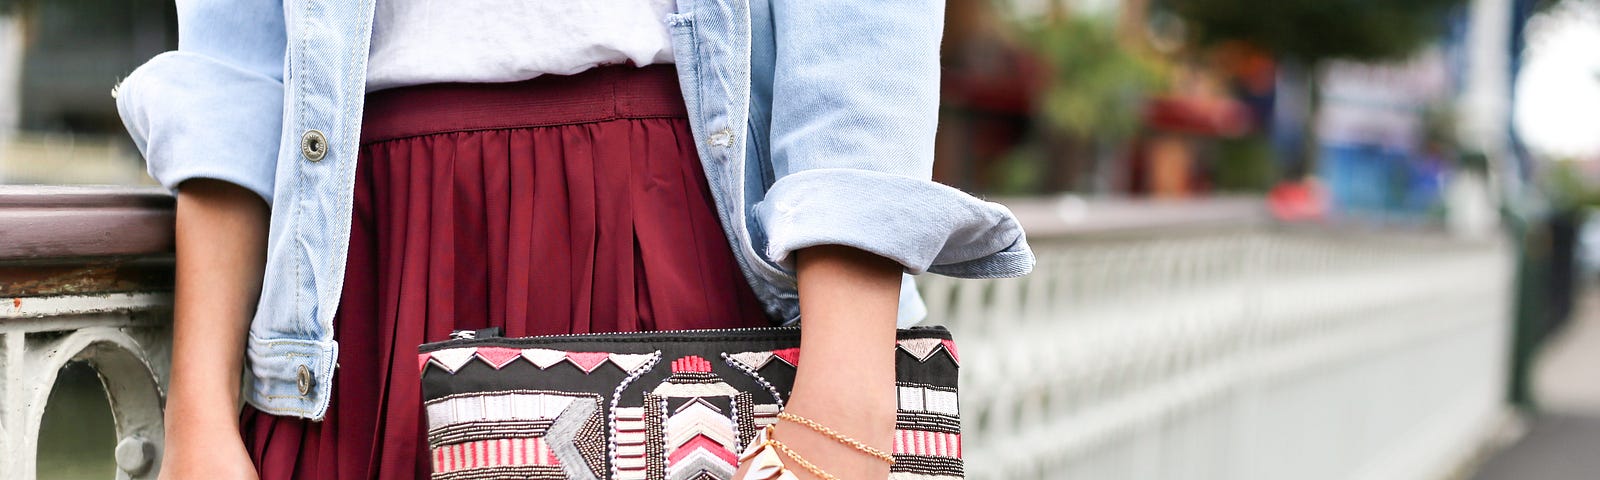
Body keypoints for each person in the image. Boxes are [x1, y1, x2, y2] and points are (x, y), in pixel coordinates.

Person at [114, 1, 1033, 478]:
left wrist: (846, 392)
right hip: (357, 288)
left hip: (674, 246)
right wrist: (198, 408)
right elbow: (234, 66)